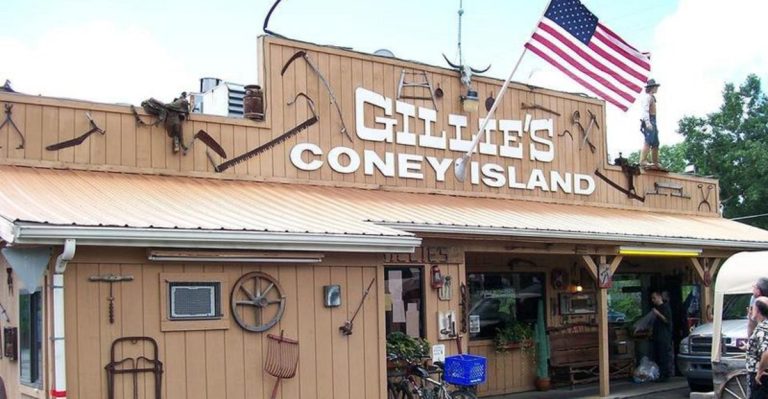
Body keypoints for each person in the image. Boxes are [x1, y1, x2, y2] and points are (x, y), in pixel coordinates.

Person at [651, 290, 674, 382]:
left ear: (659, 297)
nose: (653, 300)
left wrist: (658, 314)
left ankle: (666, 375)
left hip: (664, 336)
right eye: (652, 298)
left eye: (654, 298)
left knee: (664, 355)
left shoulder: (665, 307)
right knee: (659, 355)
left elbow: (667, 320)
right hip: (657, 335)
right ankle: (661, 374)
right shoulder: (656, 308)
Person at [748, 297, 768, 398]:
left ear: (758, 311)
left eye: (752, 308)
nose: (750, 310)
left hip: (762, 377)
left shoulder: (763, 328)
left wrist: (759, 372)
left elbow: (767, 352)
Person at [639, 79, 660, 167]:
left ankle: (655, 162)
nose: (657, 88)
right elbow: (645, 111)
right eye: (656, 87)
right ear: (652, 87)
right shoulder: (648, 98)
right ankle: (643, 160)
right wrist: (648, 123)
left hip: (653, 120)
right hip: (650, 120)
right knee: (648, 141)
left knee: (655, 142)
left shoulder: (652, 97)